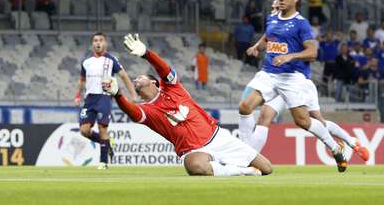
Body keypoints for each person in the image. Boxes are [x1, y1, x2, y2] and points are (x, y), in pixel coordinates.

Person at [102, 33, 272, 177]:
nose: (135, 79)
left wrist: (146, 53)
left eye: (141, 77)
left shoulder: (173, 88)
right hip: (192, 151)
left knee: (266, 168)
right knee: (194, 166)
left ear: (154, 82)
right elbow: (132, 112)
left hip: (217, 137)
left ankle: (227, 165)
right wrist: (117, 95)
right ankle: (243, 171)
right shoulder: (147, 111)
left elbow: (164, 69)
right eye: (135, 79)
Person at [239, 0, 348, 172]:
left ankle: (335, 147)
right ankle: (243, 156)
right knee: (245, 106)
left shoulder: (301, 23)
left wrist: (291, 56)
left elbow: (313, 52)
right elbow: (268, 37)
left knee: (303, 122)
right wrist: (257, 46)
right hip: (268, 73)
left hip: (290, 77)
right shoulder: (272, 18)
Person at [74, 33, 137, 170]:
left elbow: (124, 76)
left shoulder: (111, 60)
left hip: (104, 97)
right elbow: (82, 80)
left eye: (101, 40)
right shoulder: (86, 61)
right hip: (89, 99)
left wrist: (132, 95)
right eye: (95, 40)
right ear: (92, 44)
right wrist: (77, 96)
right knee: (84, 131)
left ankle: (103, 162)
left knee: (103, 128)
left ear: (105, 43)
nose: (98, 43)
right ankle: (107, 143)